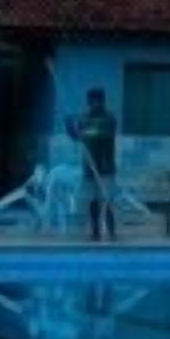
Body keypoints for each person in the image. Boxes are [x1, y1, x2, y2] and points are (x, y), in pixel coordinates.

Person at [67, 88, 118, 241]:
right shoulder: (84, 118)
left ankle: (111, 231)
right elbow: (77, 137)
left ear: (103, 102)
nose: (95, 104)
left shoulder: (109, 118)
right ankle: (95, 231)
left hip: (106, 166)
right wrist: (70, 127)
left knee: (107, 198)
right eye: (92, 102)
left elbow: (102, 133)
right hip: (90, 166)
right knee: (93, 200)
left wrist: (82, 132)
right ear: (89, 102)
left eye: (98, 101)